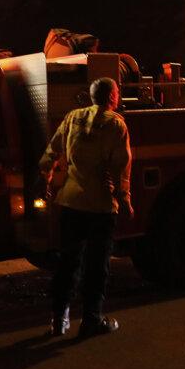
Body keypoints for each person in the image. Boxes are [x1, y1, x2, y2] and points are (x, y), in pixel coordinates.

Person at [40, 77, 133, 337]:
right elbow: (121, 166)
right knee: (97, 265)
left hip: (70, 202)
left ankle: (59, 320)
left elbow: (52, 150)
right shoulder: (116, 124)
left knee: (68, 262)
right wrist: (125, 199)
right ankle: (91, 319)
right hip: (101, 206)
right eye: (117, 92)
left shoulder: (72, 117)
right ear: (113, 97)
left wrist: (45, 176)